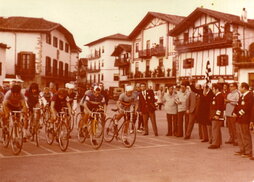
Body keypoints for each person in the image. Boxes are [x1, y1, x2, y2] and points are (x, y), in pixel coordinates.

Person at [233, 82, 253, 159]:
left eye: (240, 87)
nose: (239, 88)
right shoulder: (242, 96)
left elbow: (247, 108)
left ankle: (248, 151)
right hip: (239, 118)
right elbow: (237, 105)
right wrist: (234, 112)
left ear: (244, 88)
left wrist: (238, 114)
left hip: (245, 118)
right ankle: (242, 149)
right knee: (239, 134)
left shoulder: (249, 96)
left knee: (245, 135)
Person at [208, 84, 224, 149]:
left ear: (217, 89)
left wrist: (217, 115)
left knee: (215, 129)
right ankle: (218, 142)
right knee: (217, 129)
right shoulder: (216, 96)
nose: (212, 90)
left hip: (216, 116)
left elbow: (219, 107)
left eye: (213, 89)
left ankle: (215, 143)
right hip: (214, 115)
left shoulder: (219, 96)